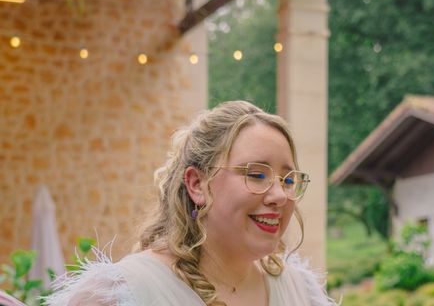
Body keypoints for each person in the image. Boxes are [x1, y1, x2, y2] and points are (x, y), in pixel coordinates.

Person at [45, 100, 337, 306]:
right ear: (198, 184)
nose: (279, 195)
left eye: (287, 179)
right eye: (257, 174)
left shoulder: (301, 292)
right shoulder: (124, 293)